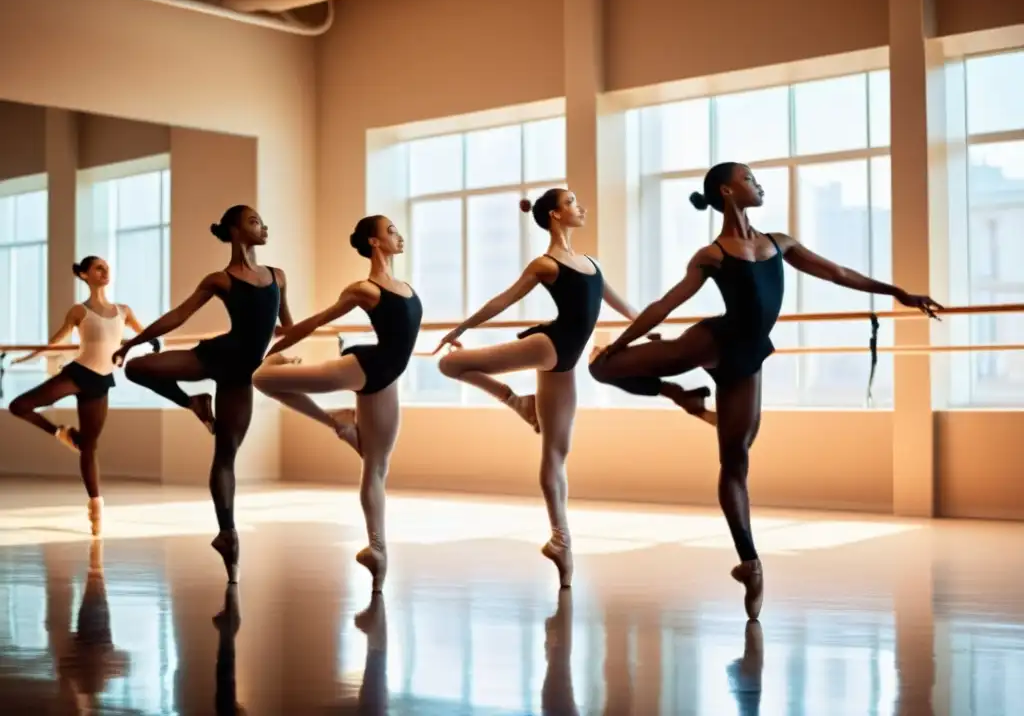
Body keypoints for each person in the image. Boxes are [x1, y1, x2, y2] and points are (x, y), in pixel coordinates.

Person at [588, 161, 942, 619]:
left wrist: (898, 292)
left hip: (746, 358)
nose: (758, 184)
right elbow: (666, 303)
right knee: (602, 368)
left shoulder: (780, 243)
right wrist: (621, 341)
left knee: (735, 461)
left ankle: (749, 564)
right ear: (727, 191)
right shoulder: (711, 255)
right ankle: (679, 394)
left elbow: (838, 273)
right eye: (749, 179)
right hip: (708, 341)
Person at [433, 188, 653, 588]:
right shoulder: (545, 264)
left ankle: (560, 542)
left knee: (557, 452)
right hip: (547, 345)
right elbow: (504, 299)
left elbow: (625, 308)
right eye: (573, 202)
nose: (581, 206)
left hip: (565, 362)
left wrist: (650, 332)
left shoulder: (591, 264)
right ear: (555, 214)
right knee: (451, 363)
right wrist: (461, 328)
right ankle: (515, 400)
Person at [110, 205, 294, 583]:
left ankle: (227, 534)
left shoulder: (278, 276)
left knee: (225, 455)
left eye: (262, 220)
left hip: (241, 376)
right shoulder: (220, 280)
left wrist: (283, 355)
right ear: (235, 231)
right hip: (214, 355)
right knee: (137, 368)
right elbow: (179, 315)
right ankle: (193, 401)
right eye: (255, 222)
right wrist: (133, 342)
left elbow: (288, 326)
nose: (263, 226)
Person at [253, 215, 421, 593]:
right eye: (390, 230)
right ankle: (336, 420)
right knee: (261, 378)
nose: (399, 234)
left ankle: (377, 551)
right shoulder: (365, 289)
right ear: (374, 243)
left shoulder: (404, 286)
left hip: (386, 379)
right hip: (363, 366)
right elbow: (319, 320)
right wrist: (280, 345)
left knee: (376, 466)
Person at [8, 255, 156, 535]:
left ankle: (96, 507)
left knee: (89, 446)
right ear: (86, 275)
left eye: (107, 268)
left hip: (101, 382)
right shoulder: (79, 311)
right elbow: (56, 340)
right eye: (98, 268)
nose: (105, 272)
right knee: (19, 405)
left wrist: (155, 340)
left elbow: (145, 333)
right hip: (77, 375)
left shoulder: (123, 310)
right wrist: (26, 357)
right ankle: (60, 433)